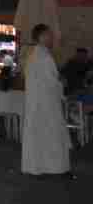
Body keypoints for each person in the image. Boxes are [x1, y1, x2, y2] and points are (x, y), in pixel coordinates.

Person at [21, 24, 73, 180]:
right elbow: (52, 81)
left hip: (37, 103)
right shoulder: (44, 56)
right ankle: (56, 168)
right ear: (42, 36)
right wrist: (62, 83)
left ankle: (38, 166)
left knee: (40, 135)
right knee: (53, 135)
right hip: (47, 103)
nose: (52, 38)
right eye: (50, 35)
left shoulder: (33, 55)